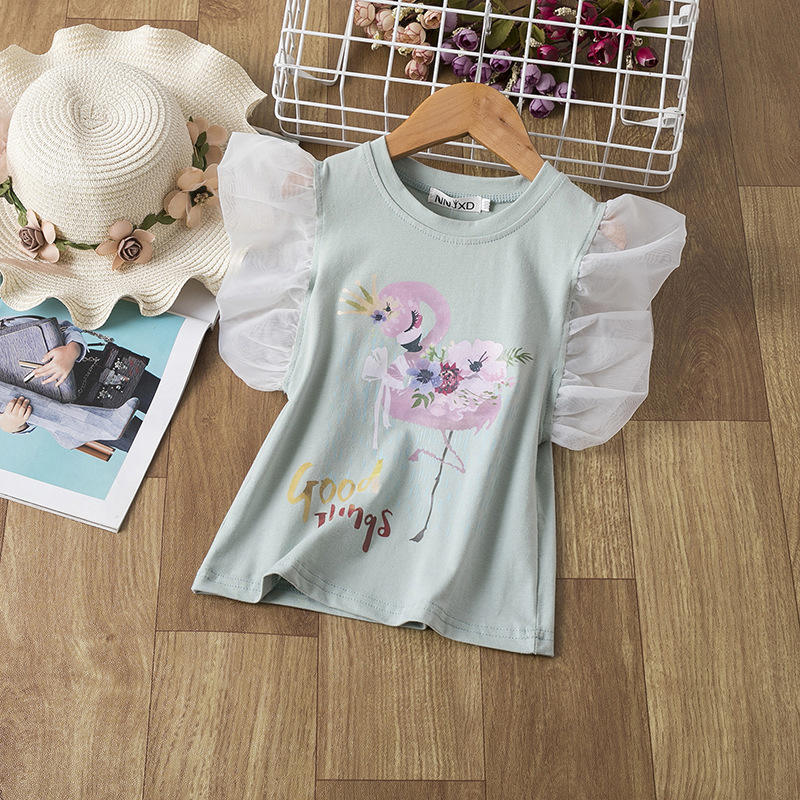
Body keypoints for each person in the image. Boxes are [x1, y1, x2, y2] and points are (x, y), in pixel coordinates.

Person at [0, 314, 159, 452]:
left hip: (104, 372)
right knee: (151, 447)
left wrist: (70, 352)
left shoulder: (6, 325)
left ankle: (71, 425)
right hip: (85, 410)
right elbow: (19, 419)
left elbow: (66, 329)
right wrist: (10, 424)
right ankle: (76, 424)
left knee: (166, 401)